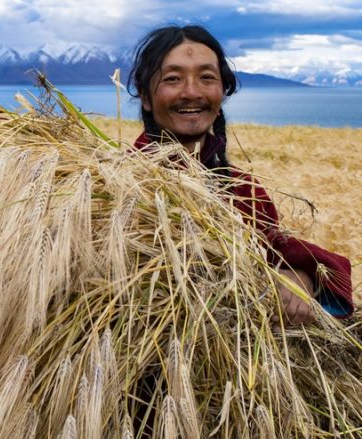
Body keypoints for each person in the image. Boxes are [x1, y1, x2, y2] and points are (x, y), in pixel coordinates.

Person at [127, 25, 355, 325]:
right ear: (145, 97)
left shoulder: (247, 191)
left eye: (206, 77)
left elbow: (279, 253)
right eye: (173, 79)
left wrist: (300, 279)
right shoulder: (112, 185)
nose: (192, 92)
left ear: (222, 92)